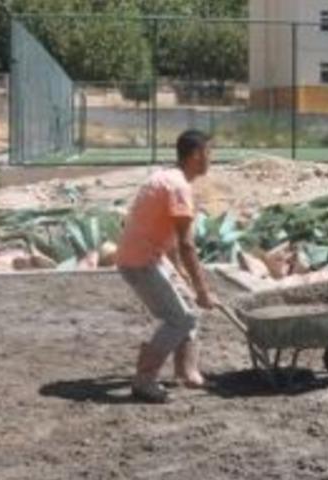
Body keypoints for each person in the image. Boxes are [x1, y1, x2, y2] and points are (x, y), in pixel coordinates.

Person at [116, 129, 216, 404]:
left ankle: (186, 371)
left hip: (146, 255)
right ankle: (144, 380)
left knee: (186, 306)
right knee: (180, 318)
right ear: (196, 155)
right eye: (209, 152)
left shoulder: (164, 177)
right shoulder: (179, 187)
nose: (211, 159)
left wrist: (181, 275)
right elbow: (186, 244)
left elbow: (165, 233)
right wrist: (202, 289)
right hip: (140, 262)